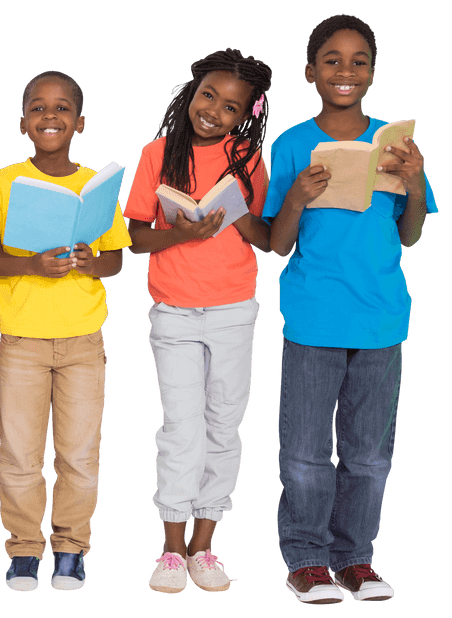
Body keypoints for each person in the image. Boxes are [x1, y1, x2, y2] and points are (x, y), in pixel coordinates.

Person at [263, 14, 437, 605]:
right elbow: (278, 242)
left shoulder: (399, 145)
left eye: (358, 60)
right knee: (307, 451)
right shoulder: (290, 144)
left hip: (382, 319)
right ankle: (308, 560)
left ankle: (355, 558)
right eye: (332, 60)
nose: (346, 70)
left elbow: (410, 234)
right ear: (310, 72)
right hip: (315, 316)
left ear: (373, 72)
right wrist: (296, 196)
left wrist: (415, 183)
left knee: (368, 455)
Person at [0, 70, 131, 592]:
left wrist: (90, 260)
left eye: (62, 108)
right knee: (19, 452)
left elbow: (117, 260)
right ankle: (23, 550)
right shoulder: (3, 181)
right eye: (38, 107)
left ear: (79, 123)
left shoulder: (96, 187)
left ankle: (70, 548)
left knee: (79, 453)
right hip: (21, 341)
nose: (50, 115)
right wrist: (32, 266)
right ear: (22, 123)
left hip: (84, 341)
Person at [123, 48, 273, 595]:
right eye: (208, 95)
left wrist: (235, 214)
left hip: (234, 307)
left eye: (231, 107)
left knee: (224, 424)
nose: (214, 111)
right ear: (191, 93)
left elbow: (261, 234)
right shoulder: (157, 152)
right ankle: (170, 549)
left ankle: (204, 546)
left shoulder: (249, 157)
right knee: (180, 427)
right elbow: (135, 237)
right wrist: (183, 233)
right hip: (174, 309)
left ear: (246, 114)